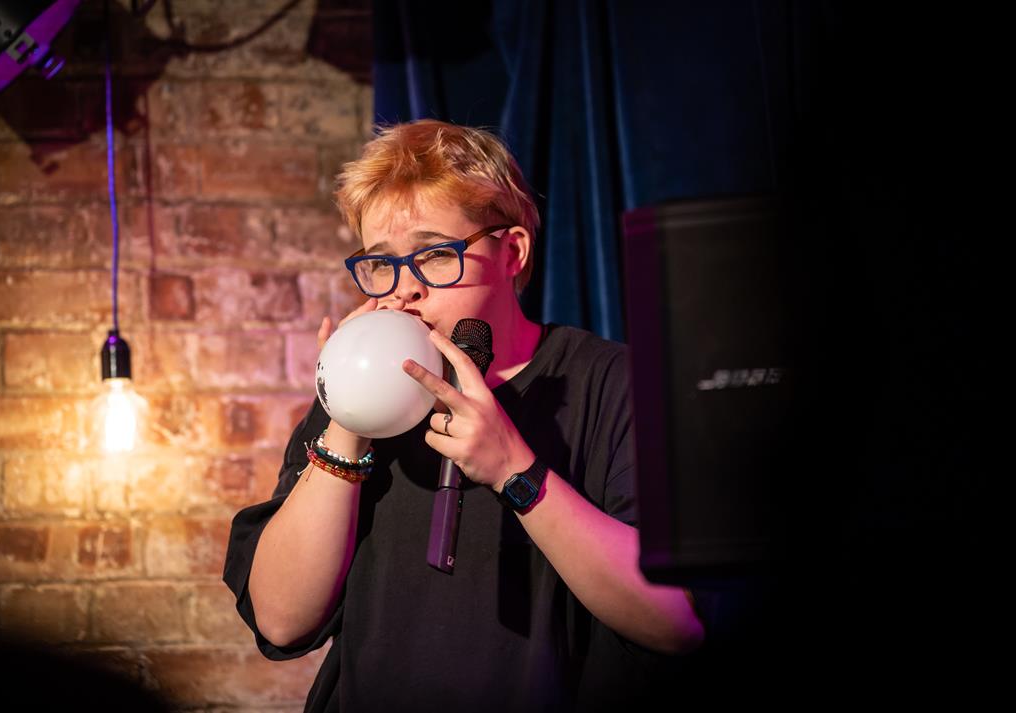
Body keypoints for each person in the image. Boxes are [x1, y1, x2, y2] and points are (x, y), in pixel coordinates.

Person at [223, 119, 707, 712]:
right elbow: (281, 621)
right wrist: (345, 419)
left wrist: (515, 471)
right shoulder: (355, 400)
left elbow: (676, 621)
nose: (403, 289)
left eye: (432, 255)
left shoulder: (614, 383)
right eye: (381, 263)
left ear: (511, 252)